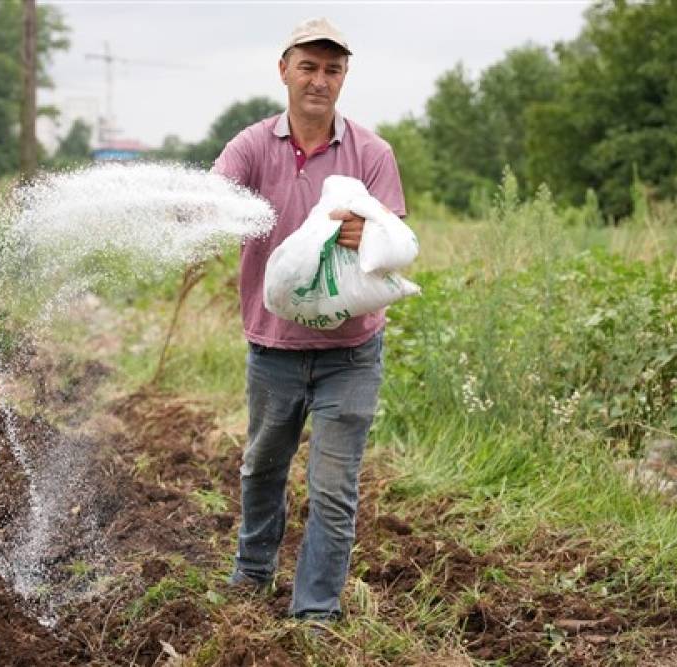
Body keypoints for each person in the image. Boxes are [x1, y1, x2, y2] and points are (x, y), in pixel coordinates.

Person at [211, 17, 406, 621]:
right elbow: (217, 198)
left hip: (352, 353)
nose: (320, 80)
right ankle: (252, 575)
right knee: (262, 467)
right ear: (284, 71)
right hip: (273, 350)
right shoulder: (250, 147)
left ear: (344, 77)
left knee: (333, 486)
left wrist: (366, 230)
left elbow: (395, 235)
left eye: (332, 69)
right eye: (309, 67)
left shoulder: (372, 153)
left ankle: (316, 612)